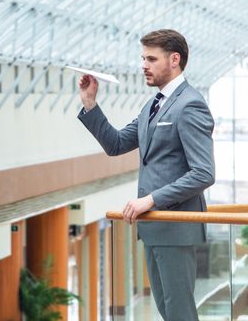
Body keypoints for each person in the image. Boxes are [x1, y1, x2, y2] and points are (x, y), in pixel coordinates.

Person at [77, 29, 215, 321]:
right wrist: (90, 103)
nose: (144, 65)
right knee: (168, 311)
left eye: (151, 59)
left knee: (179, 312)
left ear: (174, 59)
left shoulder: (190, 104)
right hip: (154, 228)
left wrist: (151, 200)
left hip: (176, 227)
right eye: (143, 58)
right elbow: (115, 144)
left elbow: (203, 172)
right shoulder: (152, 106)